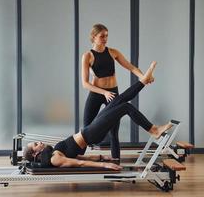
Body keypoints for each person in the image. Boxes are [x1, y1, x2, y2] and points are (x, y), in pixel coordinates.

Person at [24, 62, 171, 170]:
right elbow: (80, 163)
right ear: (36, 154)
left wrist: (101, 156)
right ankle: (153, 130)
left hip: (89, 131)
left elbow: (78, 157)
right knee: (125, 107)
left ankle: (143, 81)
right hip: (91, 134)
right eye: (35, 145)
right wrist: (104, 164)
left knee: (119, 100)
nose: (39, 142)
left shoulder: (54, 153)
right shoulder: (55, 159)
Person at [82, 23, 152, 160]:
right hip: (97, 94)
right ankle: (75, 161)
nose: (105, 39)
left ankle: (116, 163)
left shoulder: (113, 52)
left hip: (113, 93)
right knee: (85, 129)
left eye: (106, 36)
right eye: (102, 36)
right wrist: (104, 93)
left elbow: (131, 67)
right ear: (94, 37)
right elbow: (85, 84)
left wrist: (144, 77)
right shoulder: (87, 56)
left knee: (114, 132)